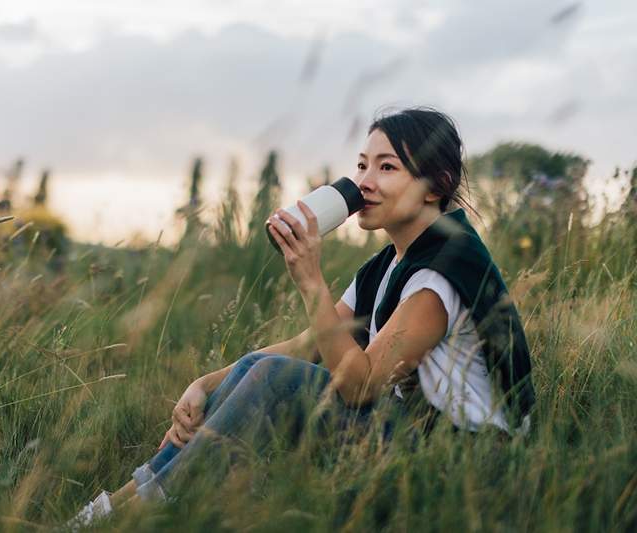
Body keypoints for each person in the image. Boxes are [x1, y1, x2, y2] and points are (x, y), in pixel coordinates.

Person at [65, 107, 536, 529]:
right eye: (362, 165)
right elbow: (307, 345)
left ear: (438, 184)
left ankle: (144, 512)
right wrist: (205, 384)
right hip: (414, 434)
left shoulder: (442, 273)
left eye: (387, 167)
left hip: (463, 463)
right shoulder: (390, 263)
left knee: (273, 377)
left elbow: (360, 385)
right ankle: (116, 508)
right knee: (258, 368)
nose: (364, 182)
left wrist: (311, 279)